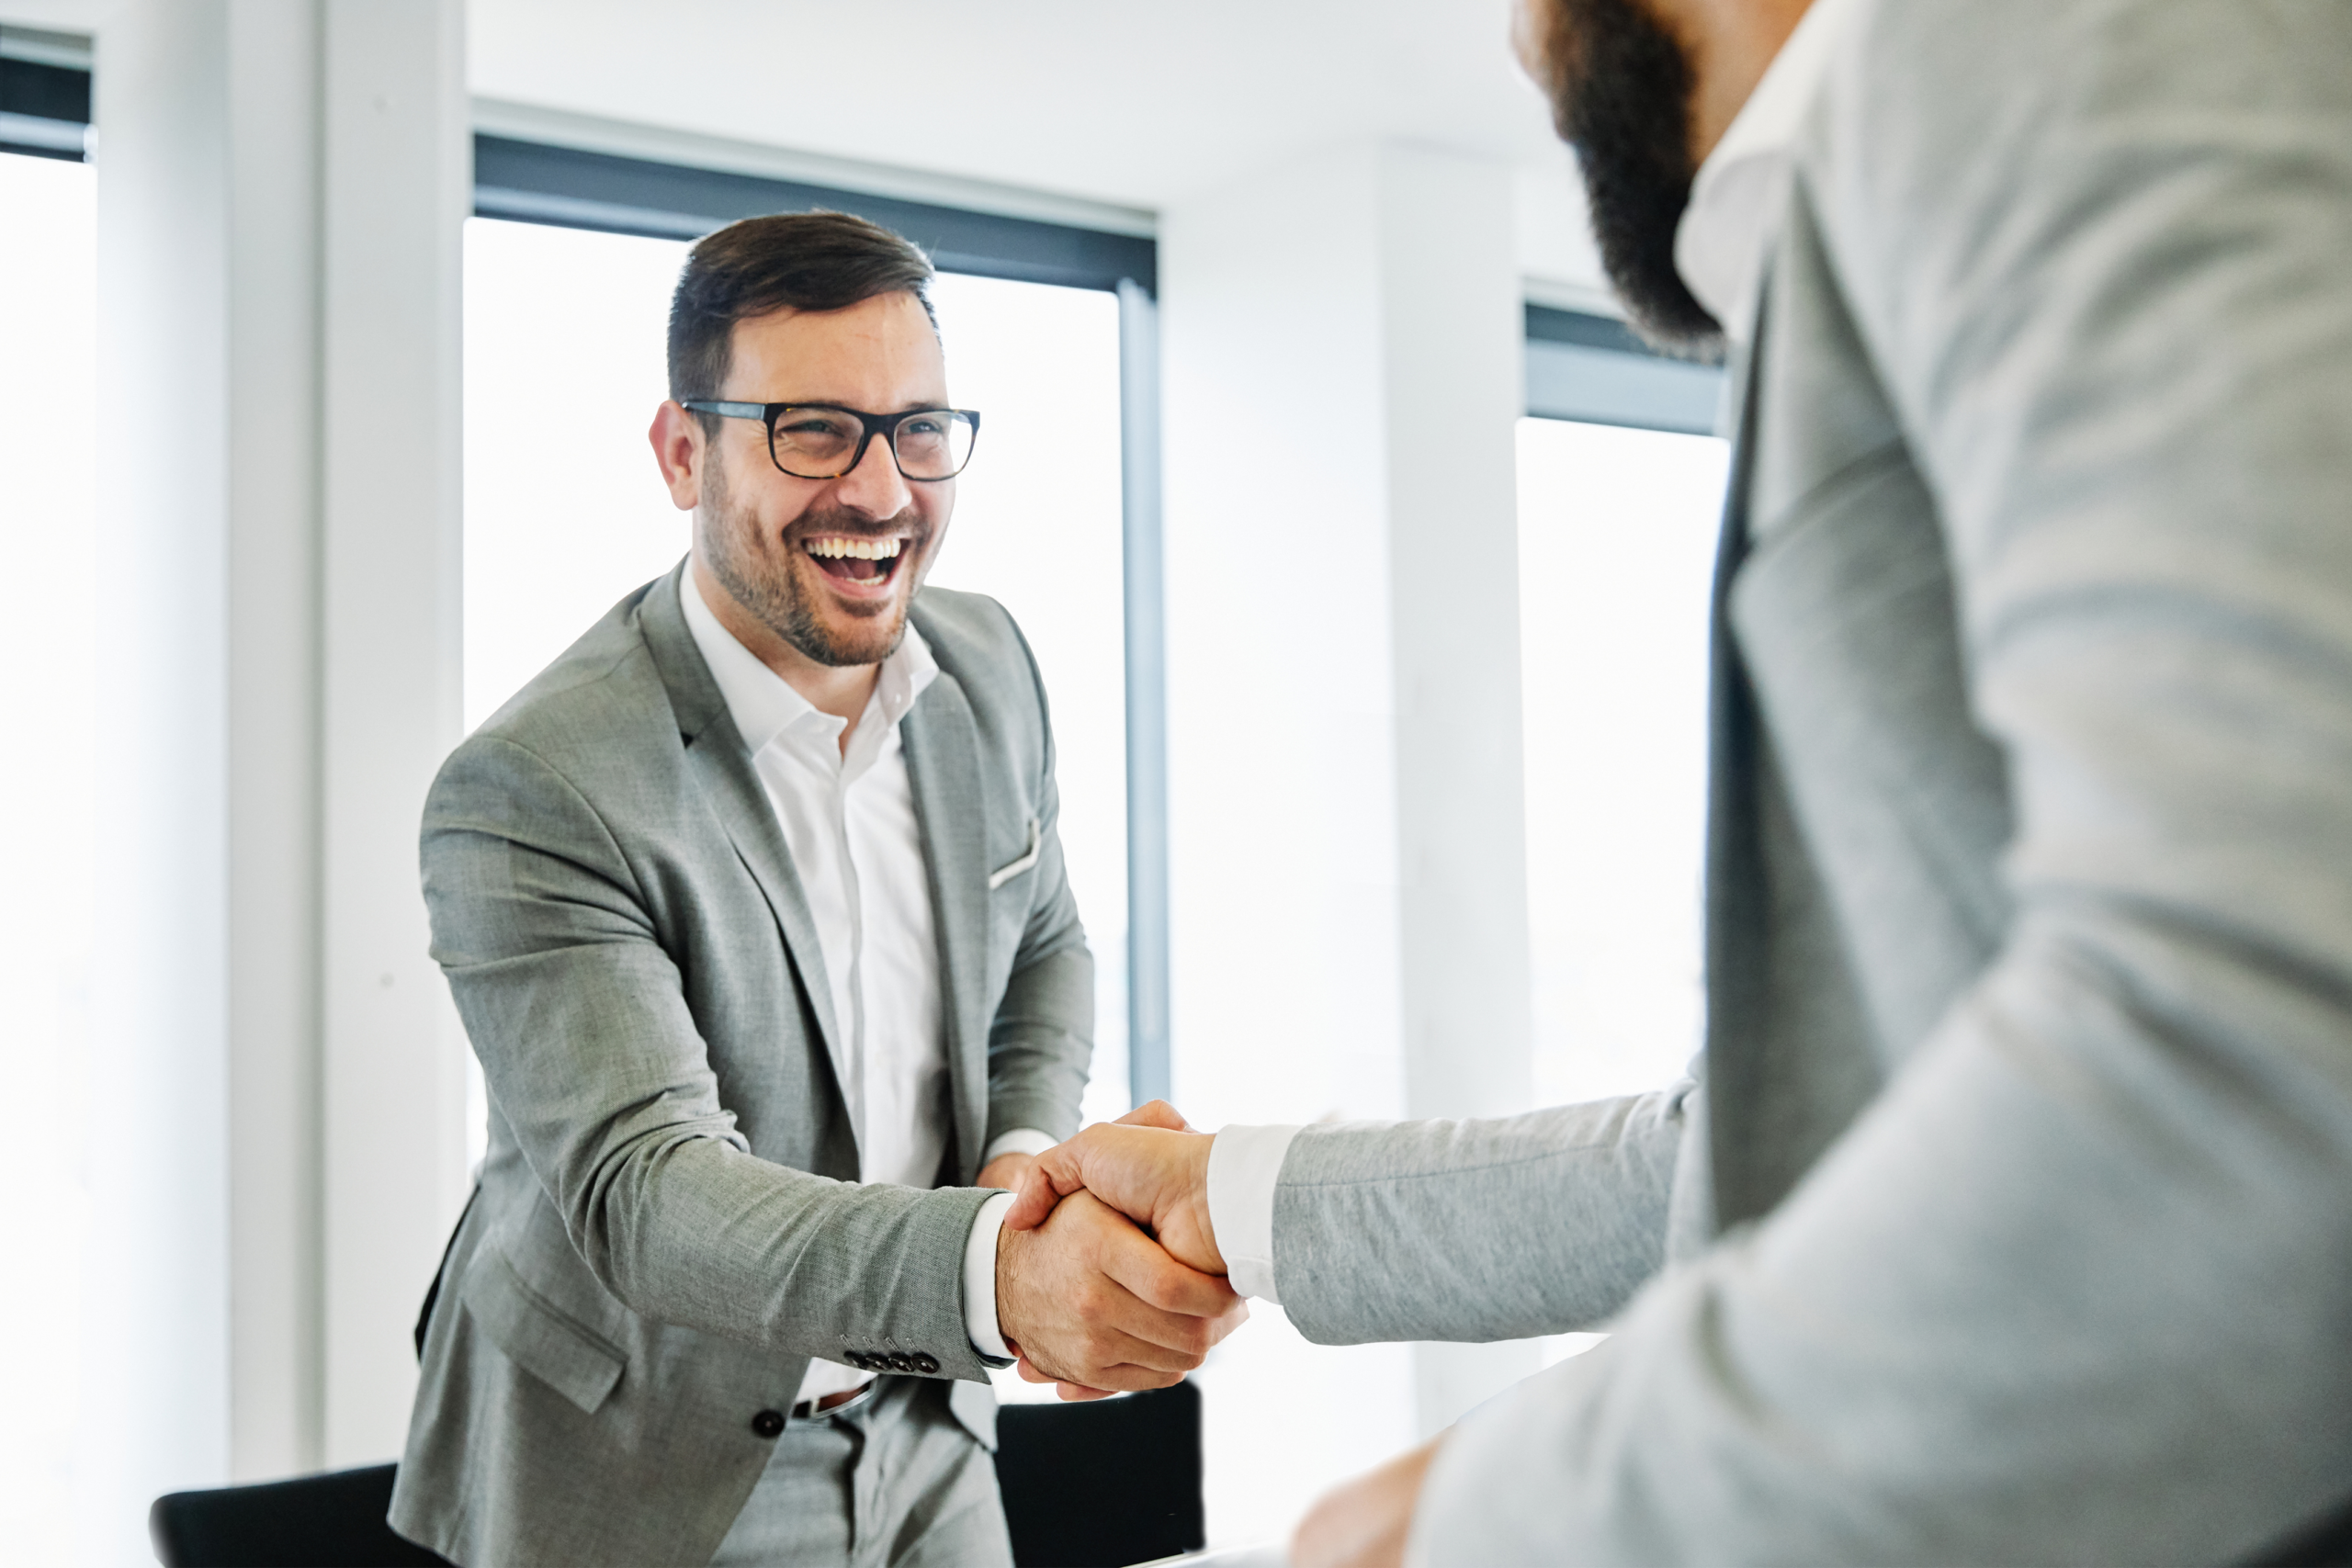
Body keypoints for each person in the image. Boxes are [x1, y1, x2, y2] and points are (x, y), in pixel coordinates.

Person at [1007, 0, 2352, 1563]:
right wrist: (1238, 1196)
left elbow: (2264, 1049)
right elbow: (1795, 1140)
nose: (1519, 43)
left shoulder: (2041, 44)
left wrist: (1504, 1517)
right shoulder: (1911, 180)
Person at [389, 210, 1245, 1568]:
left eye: (917, 429)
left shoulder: (989, 666)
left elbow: (1046, 950)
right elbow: (650, 1193)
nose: (882, 489)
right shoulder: (537, 783)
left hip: (928, 1422)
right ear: (684, 452)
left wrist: (1021, 1166)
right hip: (643, 1462)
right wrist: (1004, 1274)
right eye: (812, 430)